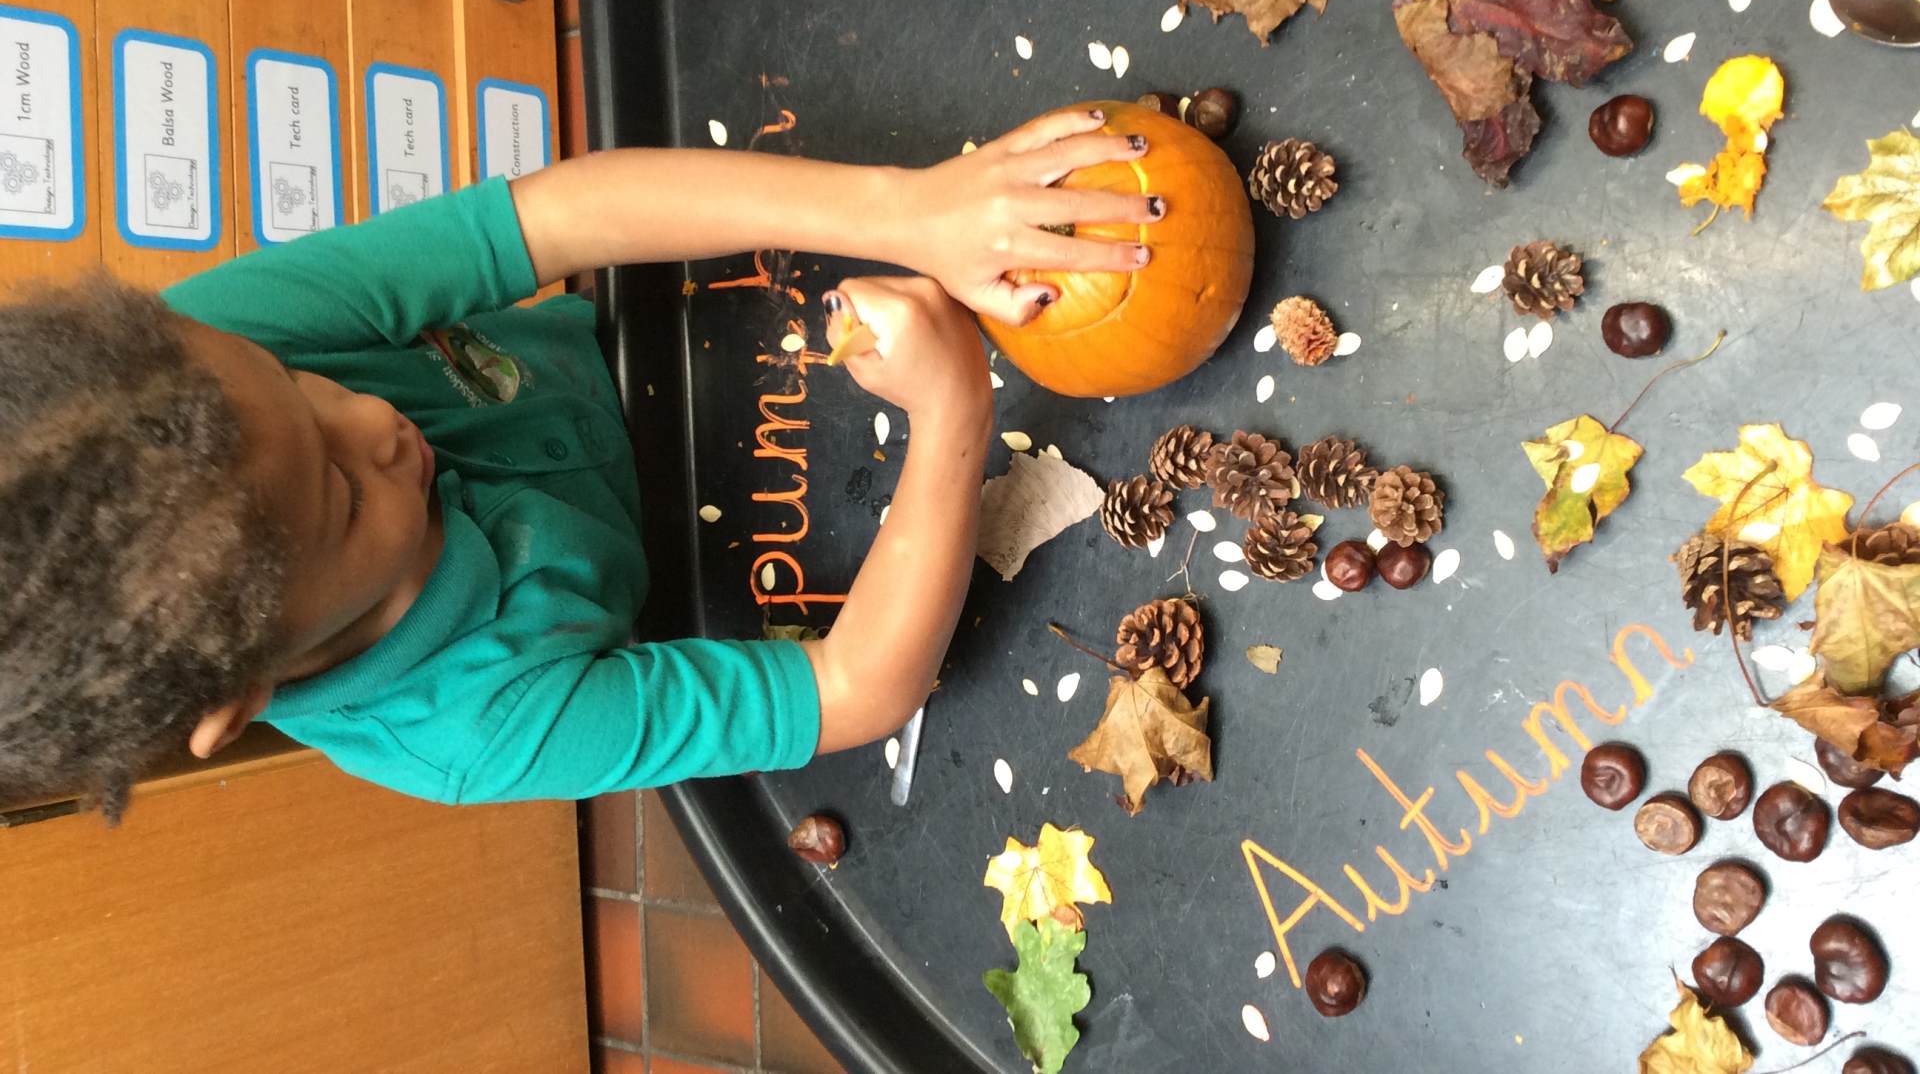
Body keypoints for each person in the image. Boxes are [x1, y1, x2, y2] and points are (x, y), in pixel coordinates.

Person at [0, 110, 1163, 819]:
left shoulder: (210, 349)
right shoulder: (468, 730)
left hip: (684, 353)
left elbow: (557, 218)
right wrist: (953, 410)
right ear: (243, 695)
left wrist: (908, 213)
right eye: (346, 498)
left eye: (300, 381)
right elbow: (858, 689)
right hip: (746, 572)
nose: (374, 421)